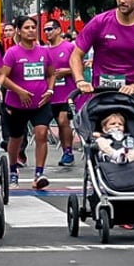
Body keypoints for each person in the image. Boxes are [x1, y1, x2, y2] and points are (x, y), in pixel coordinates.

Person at [0, 16, 55, 189]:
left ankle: (39, 173)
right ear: (18, 31)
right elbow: (2, 77)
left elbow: (51, 74)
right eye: (26, 28)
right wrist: (19, 91)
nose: (31, 30)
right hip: (16, 105)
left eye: (33, 27)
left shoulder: (44, 52)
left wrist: (50, 90)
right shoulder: (12, 53)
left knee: (41, 133)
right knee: (16, 138)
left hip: (40, 104)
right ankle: (13, 170)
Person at [42, 17, 76, 166]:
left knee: (63, 121)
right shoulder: (43, 50)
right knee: (47, 125)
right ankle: (63, 151)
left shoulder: (69, 47)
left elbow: (80, 66)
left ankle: (68, 152)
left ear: (59, 30)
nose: (47, 32)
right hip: (50, 94)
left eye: (50, 29)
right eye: (45, 30)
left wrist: (67, 71)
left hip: (67, 93)